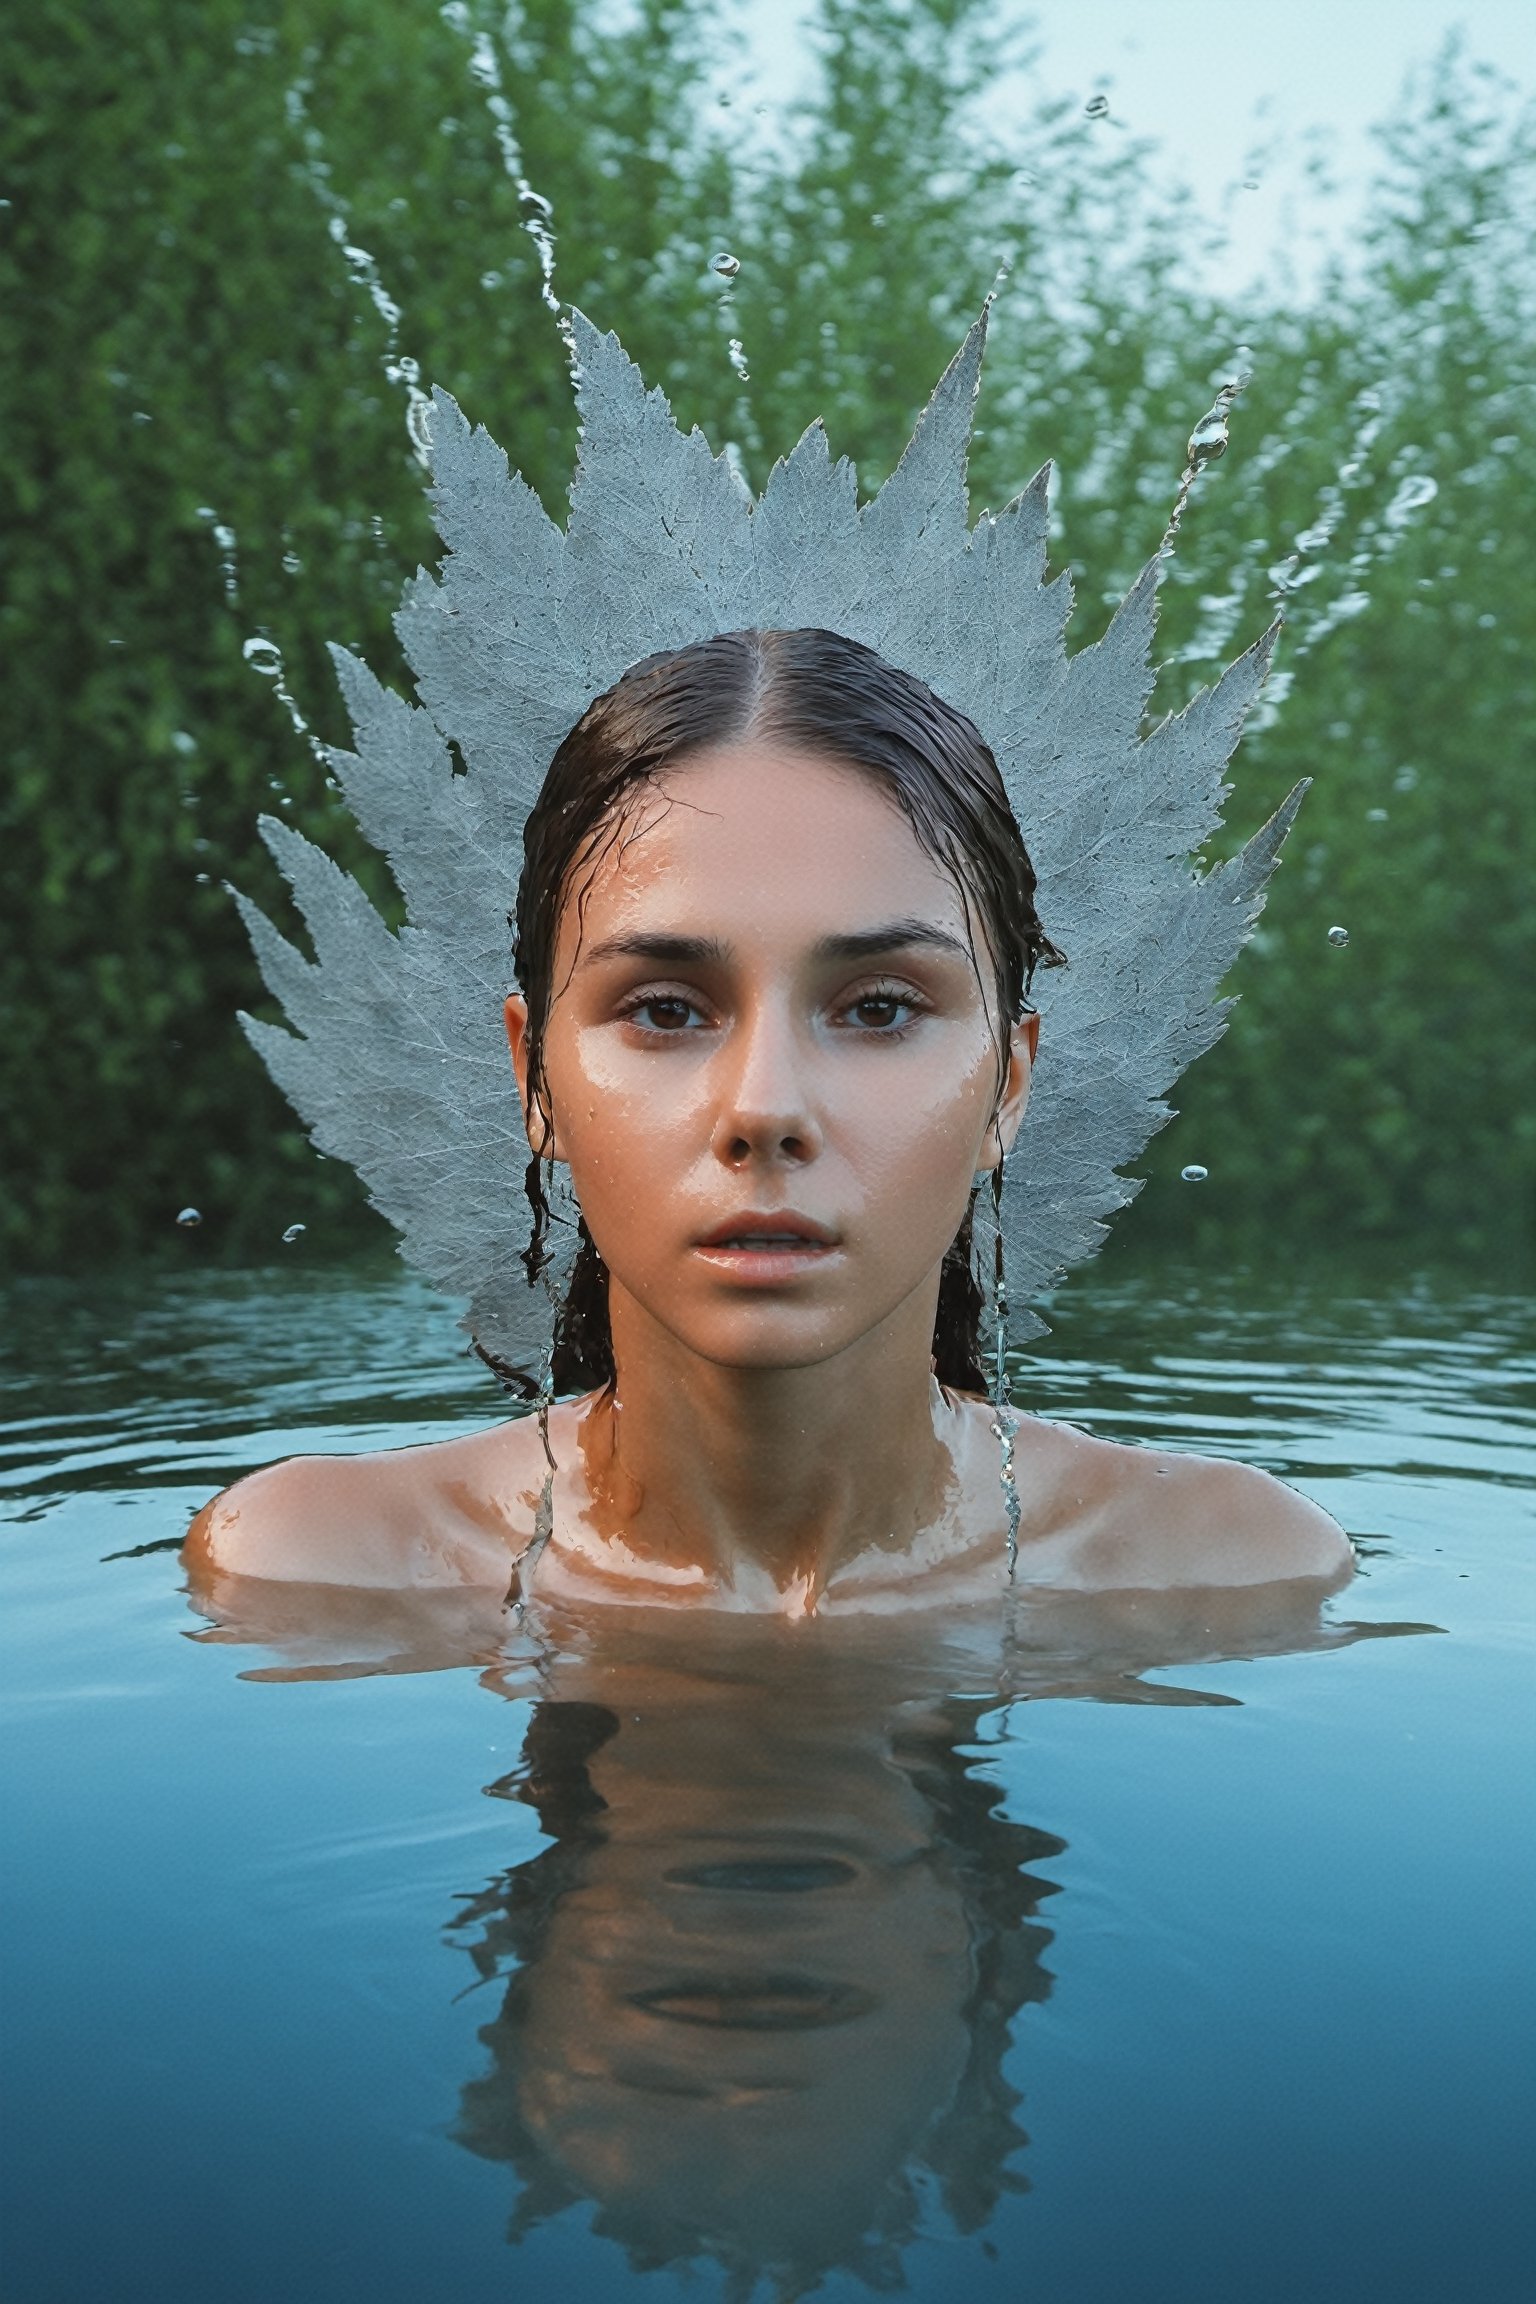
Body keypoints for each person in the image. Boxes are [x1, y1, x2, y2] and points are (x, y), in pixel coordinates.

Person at [185, 627, 1351, 1611]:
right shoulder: (314, 1566)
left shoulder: (1227, 1572)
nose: (764, 1110)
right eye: (666, 1009)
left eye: (881, 1007)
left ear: (1008, 1084)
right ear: (534, 1077)